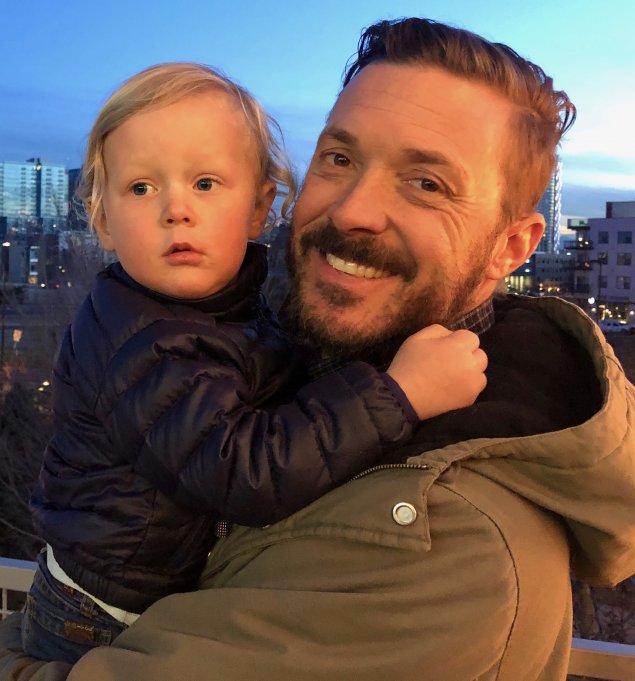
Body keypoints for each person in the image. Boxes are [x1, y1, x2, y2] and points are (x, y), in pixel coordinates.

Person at [1, 16, 634, 681]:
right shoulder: (277, 337)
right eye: (339, 159)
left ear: (512, 247)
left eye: (426, 183)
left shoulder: (451, 554)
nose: (353, 209)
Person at [17, 62, 488, 666]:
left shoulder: (223, 306)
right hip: (99, 613)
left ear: (260, 206)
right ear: (103, 221)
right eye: (141, 188)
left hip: (135, 587)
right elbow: (245, 472)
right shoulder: (146, 341)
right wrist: (399, 393)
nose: (175, 209)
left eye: (205, 183)